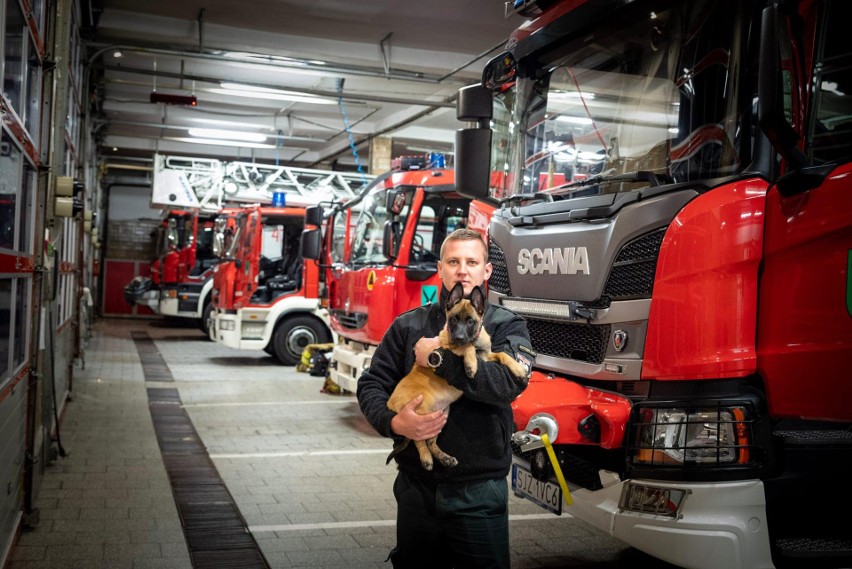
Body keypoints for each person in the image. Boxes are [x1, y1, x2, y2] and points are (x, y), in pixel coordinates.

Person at [357, 228, 535, 568]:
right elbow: (371, 384)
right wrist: (392, 422)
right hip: (416, 489)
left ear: (487, 271)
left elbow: (504, 384)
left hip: (478, 491)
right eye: (453, 261)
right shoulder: (408, 325)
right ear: (440, 269)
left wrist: (438, 359)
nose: (462, 270)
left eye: (472, 261)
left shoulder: (508, 327)